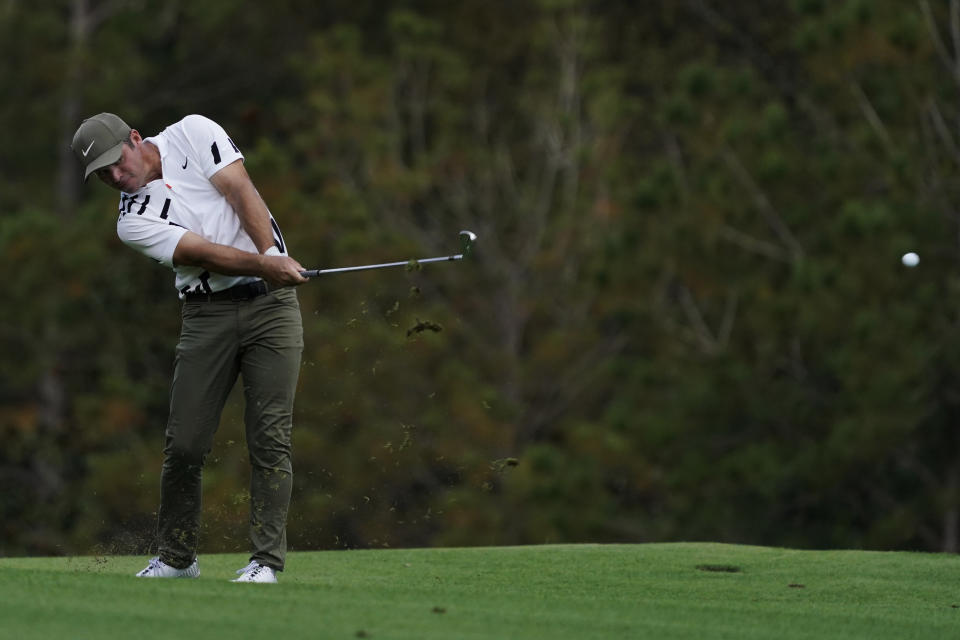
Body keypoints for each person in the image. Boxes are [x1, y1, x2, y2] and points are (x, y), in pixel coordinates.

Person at [71, 112, 309, 583]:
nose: (116, 178)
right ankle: (178, 558)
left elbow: (241, 190)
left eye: (116, 163)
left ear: (135, 139)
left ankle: (265, 561)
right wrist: (266, 265)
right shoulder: (131, 221)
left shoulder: (194, 133)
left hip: (272, 311)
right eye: (103, 175)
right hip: (207, 316)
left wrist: (272, 258)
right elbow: (200, 252)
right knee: (184, 444)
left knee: (269, 438)